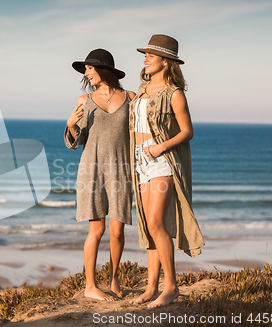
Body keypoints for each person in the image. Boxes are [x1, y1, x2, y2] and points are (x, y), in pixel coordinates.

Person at [128, 35, 204, 308]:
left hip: (161, 162)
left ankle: (170, 287)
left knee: (158, 223)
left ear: (165, 61)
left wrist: (160, 148)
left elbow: (188, 132)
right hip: (139, 160)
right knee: (150, 227)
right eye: (145, 55)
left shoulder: (174, 94)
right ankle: (151, 287)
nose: (145, 58)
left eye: (150, 55)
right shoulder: (141, 89)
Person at [64, 49, 135, 301]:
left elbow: (137, 136)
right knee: (97, 229)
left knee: (117, 231)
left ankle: (115, 279)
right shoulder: (85, 100)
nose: (86, 73)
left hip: (120, 169)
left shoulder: (130, 98)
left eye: (89, 68)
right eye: (85, 70)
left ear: (103, 69)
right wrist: (72, 125)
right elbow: (77, 141)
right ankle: (90, 286)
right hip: (91, 169)